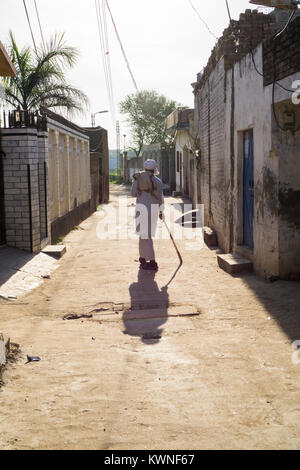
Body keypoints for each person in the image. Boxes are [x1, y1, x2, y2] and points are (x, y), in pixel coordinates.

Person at [131, 159, 164, 270]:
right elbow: (161, 198)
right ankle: (143, 258)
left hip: (141, 208)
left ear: (145, 168)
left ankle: (152, 261)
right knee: (146, 235)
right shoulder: (158, 181)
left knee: (143, 235)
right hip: (153, 210)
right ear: (154, 169)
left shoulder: (138, 179)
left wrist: (141, 191)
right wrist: (161, 212)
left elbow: (132, 193)